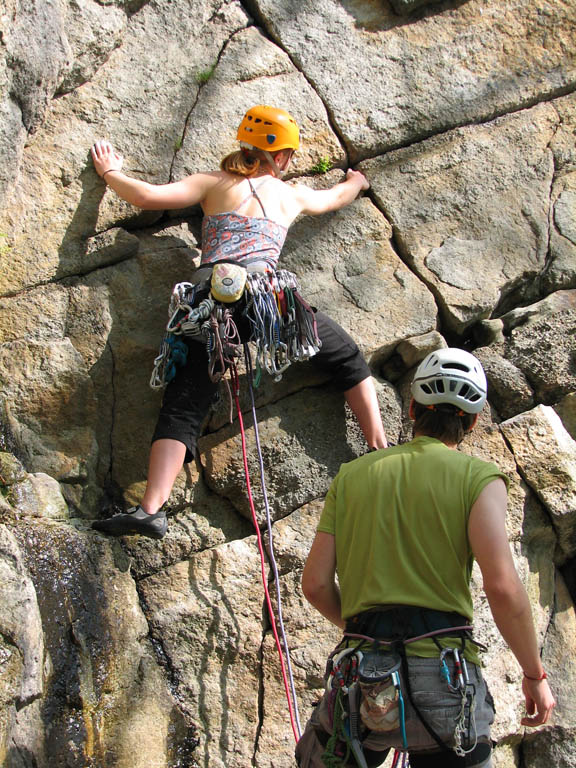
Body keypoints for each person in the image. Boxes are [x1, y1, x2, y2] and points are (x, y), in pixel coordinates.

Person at [89, 105, 388, 540]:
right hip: (269, 303)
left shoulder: (214, 182)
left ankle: (152, 508)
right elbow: (335, 199)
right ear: (282, 157)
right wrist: (356, 181)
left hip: (211, 302)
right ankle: (379, 447)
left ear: (243, 145)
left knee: (185, 401)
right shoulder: (293, 195)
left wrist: (111, 173)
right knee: (343, 355)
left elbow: (147, 197)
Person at [296, 348, 555, 768]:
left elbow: (316, 584)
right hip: (446, 680)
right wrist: (533, 675)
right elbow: (503, 588)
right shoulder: (479, 479)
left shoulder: (352, 476)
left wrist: (363, 630)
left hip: (363, 678)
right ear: (471, 421)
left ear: (413, 407)